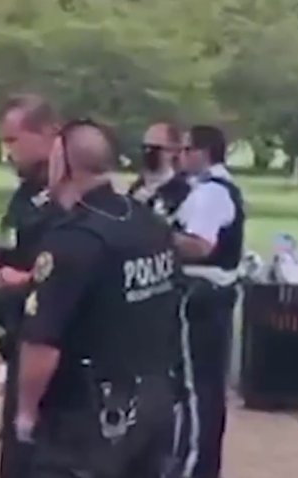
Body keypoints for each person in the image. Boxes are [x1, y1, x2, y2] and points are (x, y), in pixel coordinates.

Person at [12, 119, 182, 477]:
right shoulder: (149, 223)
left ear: (61, 160)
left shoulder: (74, 237)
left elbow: (42, 342)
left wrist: (26, 412)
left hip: (89, 413)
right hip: (153, 399)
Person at [0, 94, 63, 478]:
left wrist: (24, 279)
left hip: (50, 350)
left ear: (47, 134)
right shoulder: (25, 193)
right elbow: (13, 244)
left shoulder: (67, 197)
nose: (7, 151)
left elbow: (68, 269)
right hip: (16, 335)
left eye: (13, 141)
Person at [173, 125, 245, 478]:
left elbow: (200, 245)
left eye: (186, 150)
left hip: (202, 297)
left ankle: (194, 467)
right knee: (203, 386)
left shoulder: (211, 193)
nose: (180, 157)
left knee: (196, 390)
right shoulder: (208, 190)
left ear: (203, 152)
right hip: (211, 298)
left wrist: (154, 235)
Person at [128, 122, 191, 221]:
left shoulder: (183, 192)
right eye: (145, 147)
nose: (148, 152)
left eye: (155, 149)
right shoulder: (136, 187)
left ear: (173, 151)